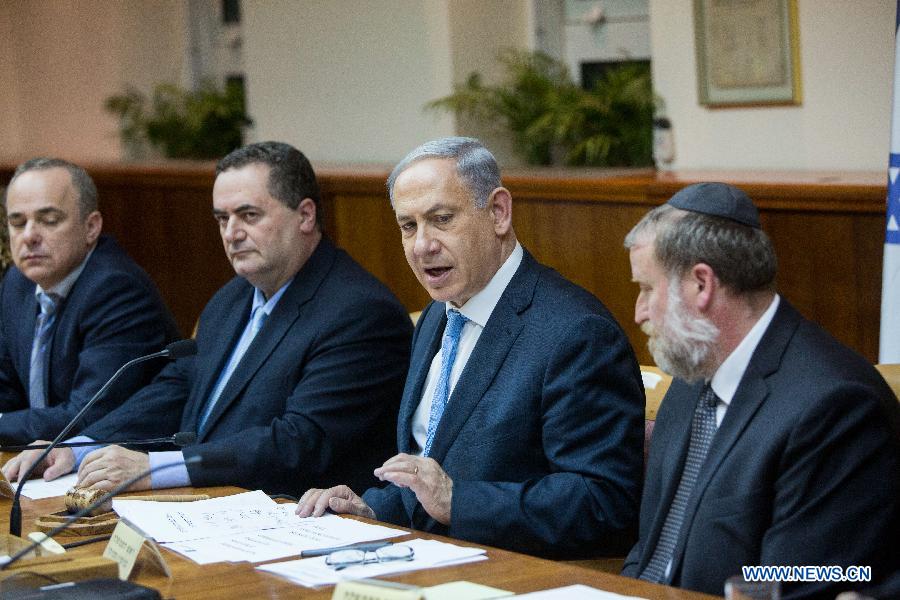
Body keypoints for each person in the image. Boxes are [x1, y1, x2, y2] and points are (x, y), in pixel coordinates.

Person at [296, 137, 644, 559]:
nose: (422, 245)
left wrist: (458, 502)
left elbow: (602, 501)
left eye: (441, 219)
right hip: (427, 562)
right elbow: (428, 473)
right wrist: (370, 507)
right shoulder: (436, 318)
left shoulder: (577, 333)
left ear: (498, 212)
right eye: (408, 226)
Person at [3, 142, 413, 495]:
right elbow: (175, 389)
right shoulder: (230, 300)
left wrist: (159, 468)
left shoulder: (358, 312)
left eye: (249, 215)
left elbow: (297, 442)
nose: (231, 233)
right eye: (222, 218)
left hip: (301, 518)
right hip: (212, 506)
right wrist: (77, 447)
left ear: (305, 216)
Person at [621, 182, 900, 598]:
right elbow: (651, 552)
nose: (639, 311)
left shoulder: (834, 405)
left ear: (701, 284)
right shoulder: (691, 377)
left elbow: (803, 582)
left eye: (646, 288)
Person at [0, 158, 178, 445]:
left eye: (49, 220)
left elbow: (87, 414)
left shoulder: (116, 289)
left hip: (119, 461)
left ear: (91, 227)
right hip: (45, 460)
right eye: (17, 222)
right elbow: (6, 388)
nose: (29, 236)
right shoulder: (17, 282)